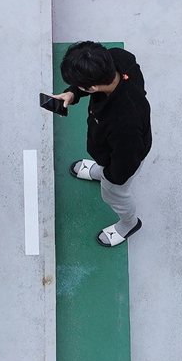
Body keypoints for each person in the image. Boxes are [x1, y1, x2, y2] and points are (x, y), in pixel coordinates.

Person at [53, 41, 152, 247]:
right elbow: (90, 83)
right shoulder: (118, 58)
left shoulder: (125, 121)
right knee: (107, 165)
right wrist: (72, 93)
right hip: (111, 148)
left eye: (80, 87)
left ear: (94, 88)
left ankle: (129, 223)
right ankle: (100, 169)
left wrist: (112, 177)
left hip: (123, 162)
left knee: (114, 195)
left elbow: (126, 161)